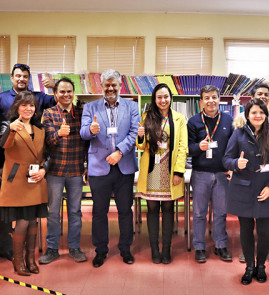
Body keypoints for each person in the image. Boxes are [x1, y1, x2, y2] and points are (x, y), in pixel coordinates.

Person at [80, 69, 139, 268]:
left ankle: (125, 248)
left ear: (120, 85)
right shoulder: (90, 107)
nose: (111, 88)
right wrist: (90, 130)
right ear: (102, 86)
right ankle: (101, 250)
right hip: (99, 167)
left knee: (125, 210)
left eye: (114, 84)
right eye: (107, 85)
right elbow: (83, 132)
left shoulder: (132, 107)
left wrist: (120, 152)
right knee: (99, 212)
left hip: (124, 166)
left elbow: (133, 133)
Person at [223, 98, 269, 285]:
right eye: (253, 112)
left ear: (266, 115)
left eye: (261, 112)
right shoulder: (238, 134)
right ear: (247, 115)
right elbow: (226, 159)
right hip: (243, 189)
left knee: (266, 232)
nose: (258, 116)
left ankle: (261, 266)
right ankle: (249, 267)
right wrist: (236, 164)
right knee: (246, 231)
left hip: (267, 190)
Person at [0, 64, 55, 262]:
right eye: (24, 106)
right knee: (19, 221)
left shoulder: (40, 128)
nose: (28, 108)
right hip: (14, 176)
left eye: (31, 106)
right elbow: (4, 144)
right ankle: (16, 259)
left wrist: (44, 169)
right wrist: (11, 129)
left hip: (35, 178)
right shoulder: (8, 123)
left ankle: (30, 260)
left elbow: (47, 153)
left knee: (33, 220)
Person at [39, 78, 88, 265]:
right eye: (62, 92)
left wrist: (87, 166)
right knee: (53, 212)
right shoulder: (48, 113)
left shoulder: (82, 113)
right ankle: (52, 249)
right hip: (55, 171)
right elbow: (47, 141)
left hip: (76, 170)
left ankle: (74, 247)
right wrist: (58, 133)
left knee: (75, 211)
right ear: (55, 94)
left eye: (69, 91)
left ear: (73, 93)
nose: (66, 95)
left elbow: (87, 142)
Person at [137, 83, 187, 264]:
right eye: (159, 97)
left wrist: (179, 172)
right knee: (151, 209)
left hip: (169, 169)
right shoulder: (146, 116)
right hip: (151, 169)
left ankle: (166, 250)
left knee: (168, 209)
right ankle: (154, 250)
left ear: (170, 97)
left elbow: (182, 147)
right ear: (154, 99)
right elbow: (141, 146)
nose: (163, 100)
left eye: (166, 96)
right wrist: (141, 136)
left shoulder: (179, 118)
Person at [188, 85, 233, 263]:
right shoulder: (193, 122)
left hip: (222, 173)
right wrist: (199, 147)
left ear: (219, 99)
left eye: (214, 97)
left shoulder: (228, 120)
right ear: (201, 102)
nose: (211, 101)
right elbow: (188, 149)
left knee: (221, 212)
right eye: (207, 98)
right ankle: (199, 246)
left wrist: (232, 167)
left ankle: (221, 245)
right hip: (201, 174)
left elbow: (233, 147)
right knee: (199, 213)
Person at [237, 83, 269, 263]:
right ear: (252, 96)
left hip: (268, 175)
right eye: (259, 94)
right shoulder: (240, 119)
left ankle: (266, 250)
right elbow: (235, 148)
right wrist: (234, 166)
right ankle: (247, 252)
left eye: (266, 94)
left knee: (266, 220)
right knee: (246, 220)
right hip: (247, 177)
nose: (263, 96)